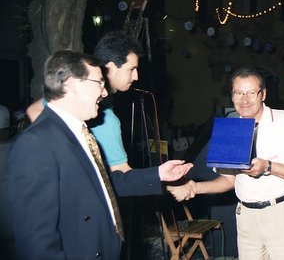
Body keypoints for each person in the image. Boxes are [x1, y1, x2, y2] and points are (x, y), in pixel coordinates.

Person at [6, 50, 192, 260]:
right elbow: (36, 242)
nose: (104, 93)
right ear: (72, 84)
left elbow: (105, 185)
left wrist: (157, 174)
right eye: (99, 83)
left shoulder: (77, 132)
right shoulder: (36, 143)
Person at [170, 66, 284, 259]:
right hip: (247, 218)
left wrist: (268, 167)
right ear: (232, 96)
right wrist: (194, 187)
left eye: (251, 93)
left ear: (263, 94)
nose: (244, 100)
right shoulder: (230, 125)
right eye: (238, 93)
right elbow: (229, 180)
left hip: (283, 214)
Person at [26, 31, 141, 172]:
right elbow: (121, 172)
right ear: (111, 67)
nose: (136, 77)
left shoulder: (78, 99)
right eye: (132, 69)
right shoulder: (107, 119)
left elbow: (34, 110)